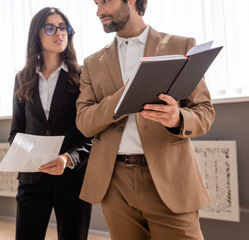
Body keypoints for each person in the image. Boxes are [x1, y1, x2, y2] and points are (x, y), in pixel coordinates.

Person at [76, 0, 215, 239]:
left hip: (170, 180)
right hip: (114, 184)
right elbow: (85, 123)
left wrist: (178, 117)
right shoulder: (91, 63)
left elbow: (204, 112)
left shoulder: (180, 46)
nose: (98, 11)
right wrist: (123, 96)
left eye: (105, 2)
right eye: (96, 4)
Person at [9, 7, 92, 240]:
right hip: (32, 180)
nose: (59, 33)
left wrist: (68, 159)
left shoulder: (83, 76)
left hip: (73, 179)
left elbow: (93, 134)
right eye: (50, 27)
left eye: (63, 27)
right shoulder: (22, 78)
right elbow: (16, 132)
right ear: (37, 34)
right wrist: (29, 153)